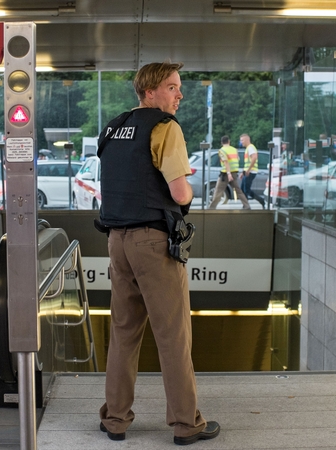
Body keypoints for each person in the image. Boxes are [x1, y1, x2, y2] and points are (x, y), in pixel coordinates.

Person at [95, 61, 220, 445]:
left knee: (123, 333)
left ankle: (115, 420)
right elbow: (180, 193)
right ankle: (186, 424)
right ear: (150, 91)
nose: (179, 94)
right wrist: (190, 194)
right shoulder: (163, 128)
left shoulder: (114, 127)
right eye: (171, 87)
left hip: (117, 240)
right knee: (173, 336)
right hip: (153, 241)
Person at [209, 135, 250, 210]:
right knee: (238, 191)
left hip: (225, 174)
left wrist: (228, 174)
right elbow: (238, 159)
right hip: (234, 173)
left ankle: (211, 208)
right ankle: (247, 206)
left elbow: (226, 162)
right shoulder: (234, 149)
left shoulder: (222, 150)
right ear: (229, 141)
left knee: (218, 191)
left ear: (221, 142)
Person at [238, 133, 265, 209]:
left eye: (242, 140)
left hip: (251, 172)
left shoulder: (250, 147)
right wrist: (243, 172)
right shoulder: (248, 148)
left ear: (247, 139)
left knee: (246, 190)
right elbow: (247, 162)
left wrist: (248, 170)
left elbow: (254, 158)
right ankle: (247, 205)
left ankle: (250, 204)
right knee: (244, 189)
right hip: (248, 172)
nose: (241, 142)